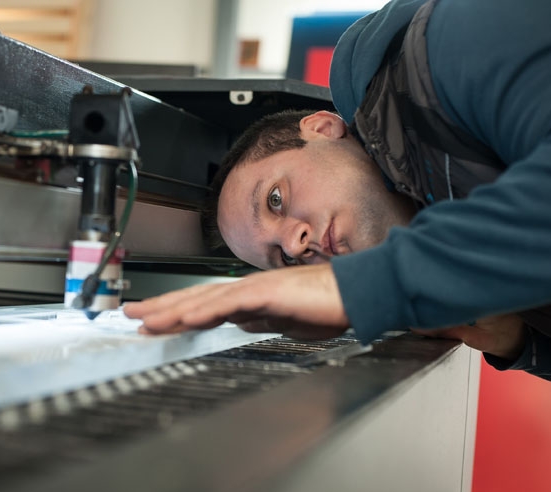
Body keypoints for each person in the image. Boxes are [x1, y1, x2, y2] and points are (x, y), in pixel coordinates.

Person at [124, 0, 551, 380]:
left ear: (322, 128)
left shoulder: (455, 35)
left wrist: (357, 289)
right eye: (284, 260)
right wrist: (519, 342)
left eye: (276, 199)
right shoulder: (462, 266)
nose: (297, 243)